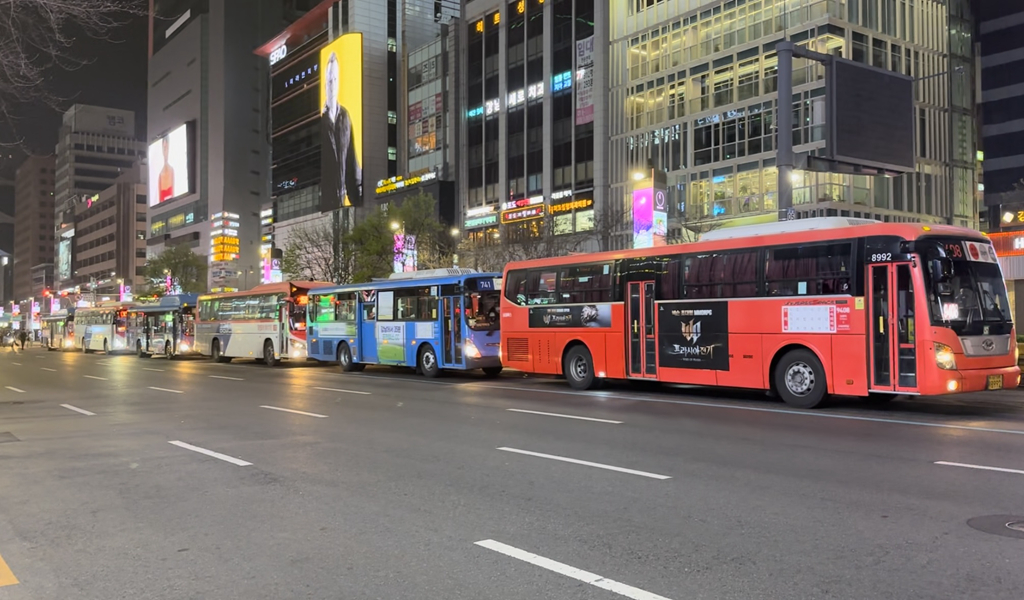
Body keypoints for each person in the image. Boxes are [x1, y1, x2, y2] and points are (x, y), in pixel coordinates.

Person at [321, 51, 362, 209]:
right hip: (324, 205)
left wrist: (358, 201)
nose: (332, 84)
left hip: (341, 202)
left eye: (335, 80)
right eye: (330, 80)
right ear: (325, 84)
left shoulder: (345, 116)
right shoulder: (320, 120)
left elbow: (352, 160)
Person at [158, 136, 175, 203]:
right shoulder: (160, 176)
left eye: (166, 148)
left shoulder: (172, 171)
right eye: (164, 148)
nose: (165, 151)